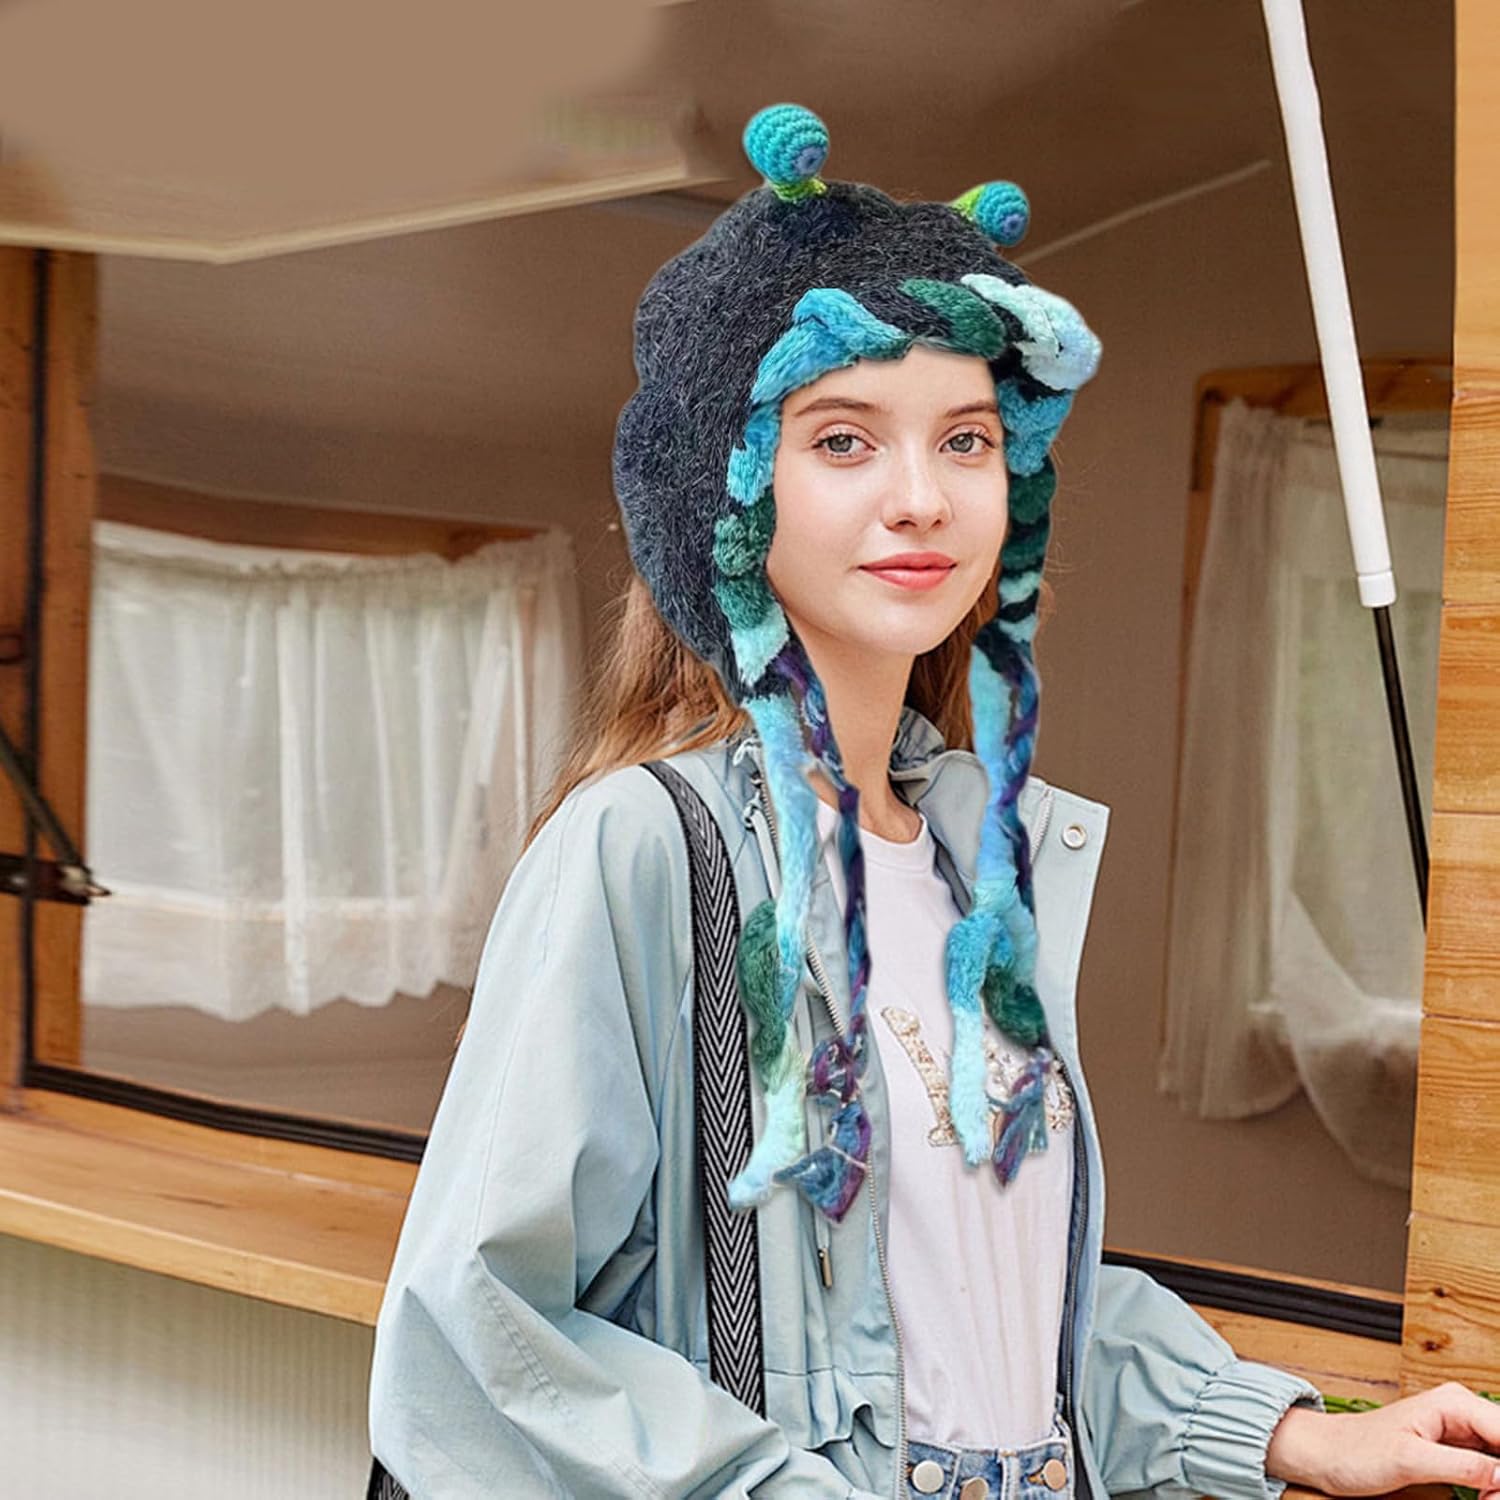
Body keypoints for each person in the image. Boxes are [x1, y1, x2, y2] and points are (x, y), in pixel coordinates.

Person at [369, 103, 1500, 1500]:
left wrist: (1283, 1431)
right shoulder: (644, 850)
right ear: (724, 498)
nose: (923, 499)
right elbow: (482, 1329)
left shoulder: (983, 867)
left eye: (966, 441)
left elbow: (1001, 1300)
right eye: (845, 441)